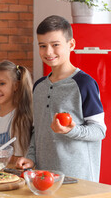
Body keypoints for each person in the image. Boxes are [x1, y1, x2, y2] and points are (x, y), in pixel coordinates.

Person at [16, 15, 106, 182]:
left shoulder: (84, 83)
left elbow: (99, 131)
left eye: (55, 45)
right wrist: (31, 158)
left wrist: (72, 130)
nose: (48, 52)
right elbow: (39, 130)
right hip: (45, 177)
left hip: (79, 179)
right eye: (42, 46)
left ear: (71, 44)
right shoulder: (39, 86)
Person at [0, 60, 33, 164]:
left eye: (2, 84)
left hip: (13, 175)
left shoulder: (20, 117)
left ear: (16, 86)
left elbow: (20, 158)